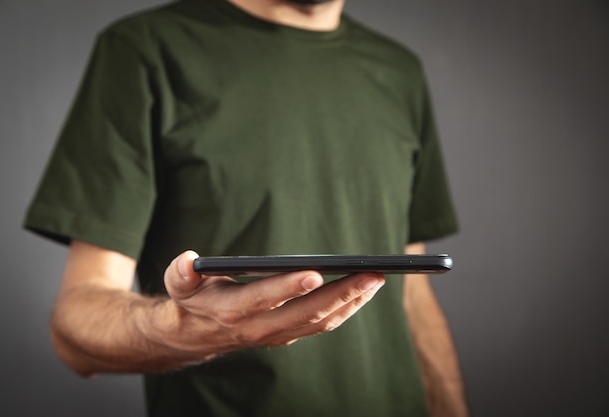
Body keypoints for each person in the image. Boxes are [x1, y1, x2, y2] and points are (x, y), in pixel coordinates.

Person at [24, 0, 469, 415]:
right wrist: (187, 329)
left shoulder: (399, 71)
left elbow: (411, 293)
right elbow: (74, 331)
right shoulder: (144, 50)